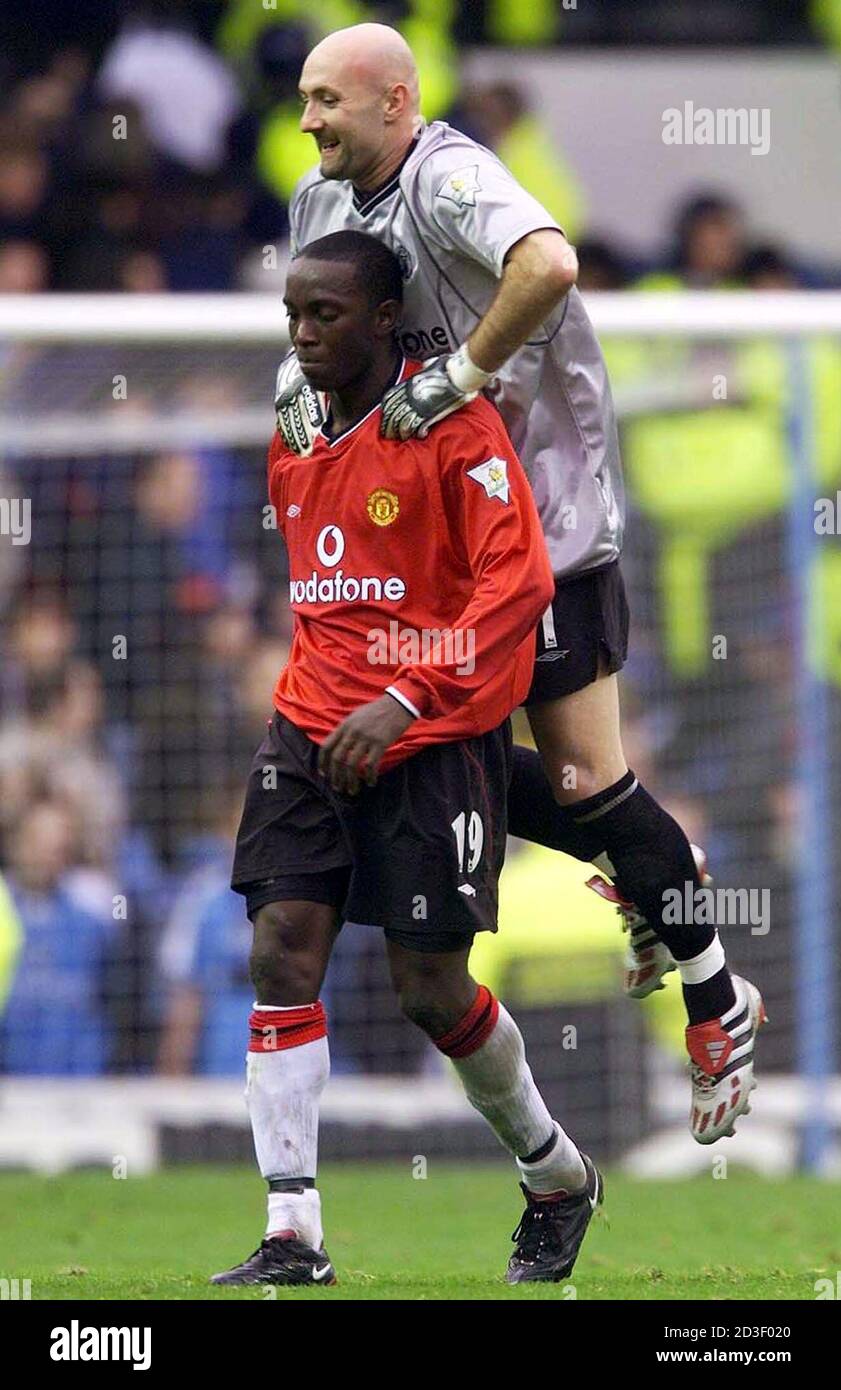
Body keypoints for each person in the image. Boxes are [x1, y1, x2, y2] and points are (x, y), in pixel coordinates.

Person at [273, 23, 765, 1145]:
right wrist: (292, 399)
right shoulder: (319, 202)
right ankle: (656, 863)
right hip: (416, 543)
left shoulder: (450, 176)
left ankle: (714, 993)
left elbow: (547, 262)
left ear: (394, 102)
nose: (305, 122)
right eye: (302, 99)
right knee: (492, 765)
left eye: (324, 101)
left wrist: (461, 374)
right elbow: (301, 331)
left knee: (584, 778)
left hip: (536, 525)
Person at [212, 230, 603, 1288]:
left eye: (325, 314)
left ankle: (556, 1172)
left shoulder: (457, 431)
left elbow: (516, 587)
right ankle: (291, 1229)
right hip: (306, 731)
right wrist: (333, 696)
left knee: (430, 990)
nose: (302, 332)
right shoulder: (294, 428)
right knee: (282, 946)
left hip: (429, 739)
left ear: (385, 319)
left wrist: (401, 695)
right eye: (292, 313)